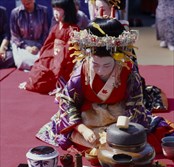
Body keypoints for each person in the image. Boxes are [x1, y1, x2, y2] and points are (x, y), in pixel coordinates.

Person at [36, 17, 174, 152]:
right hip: (89, 116)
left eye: (107, 65)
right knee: (92, 141)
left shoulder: (127, 71)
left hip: (120, 116)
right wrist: (82, 129)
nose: (101, 70)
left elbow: (135, 103)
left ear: (117, 58)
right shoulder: (82, 71)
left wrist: (124, 127)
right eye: (95, 65)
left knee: (136, 137)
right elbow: (68, 102)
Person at [19, 0, 79, 94]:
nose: (55, 13)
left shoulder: (73, 29)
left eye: (58, 10)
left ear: (67, 10)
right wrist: (45, 56)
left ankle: (59, 85)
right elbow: (48, 43)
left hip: (65, 61)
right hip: (52, 55)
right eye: (54, 9)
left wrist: (58, 59)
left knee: (46, 76)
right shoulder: (56, 26)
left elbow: (70, 51)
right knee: (38, 69)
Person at [10, 0, 49, 71]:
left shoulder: (43, 11)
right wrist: (27, 47)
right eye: (23, 1)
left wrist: (38, 46)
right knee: (22, 61)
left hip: (39, 43)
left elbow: (45, 33)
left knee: (46, 59)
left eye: (28, 1)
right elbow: (15, 36)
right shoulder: (15, 13)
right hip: (22, 45)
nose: (26, 2)